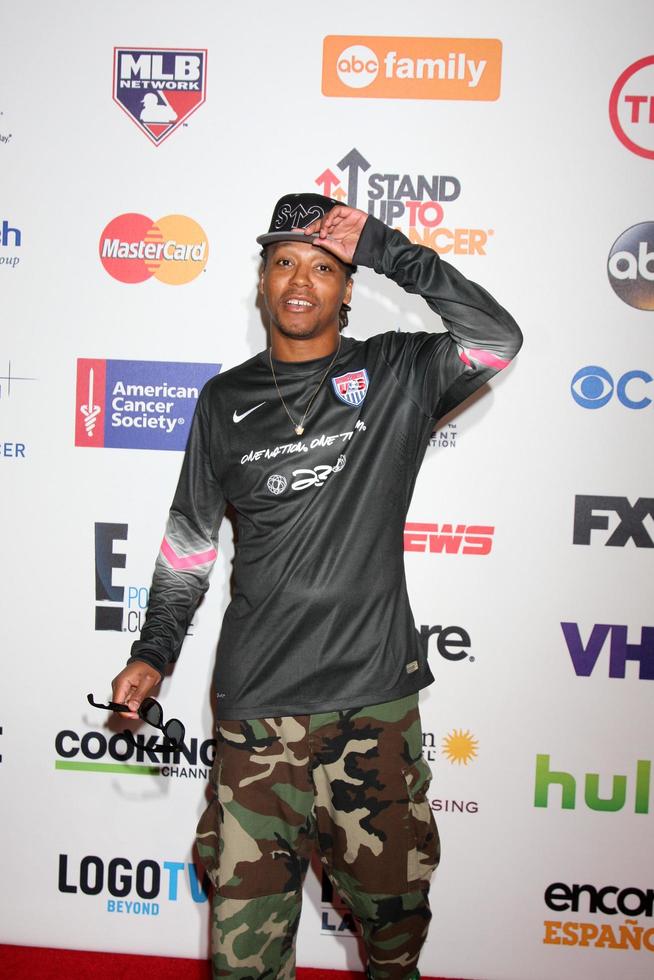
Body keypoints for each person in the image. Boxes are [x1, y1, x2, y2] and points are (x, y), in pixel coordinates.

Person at [111, 193, 523, 979]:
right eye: (285, 263)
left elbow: (495, 339)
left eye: (324, 266)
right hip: (255, 718)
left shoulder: (396, 371)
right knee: (244, 960)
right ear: (262, 281)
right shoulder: (224, 401)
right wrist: (151, 653)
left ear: (348, 285)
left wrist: (390, 247)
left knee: (394, 942)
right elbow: (189, 545)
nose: (301, 281)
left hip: (373, 707)